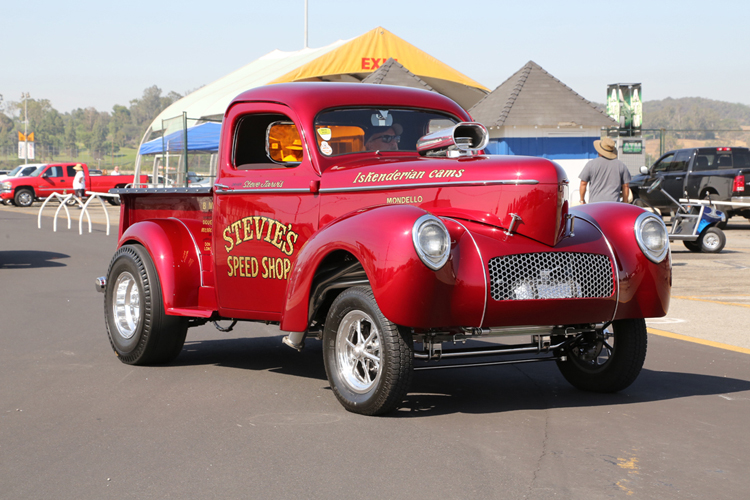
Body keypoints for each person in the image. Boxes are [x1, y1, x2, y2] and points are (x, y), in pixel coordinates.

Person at [578, 136, 631, 204]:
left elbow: (583, 183)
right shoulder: (621, 165)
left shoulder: (591, 164)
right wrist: (625, 202)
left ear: (600, 151)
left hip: (595, 205)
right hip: (614, 204)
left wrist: (582, 200)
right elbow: (626, 186)